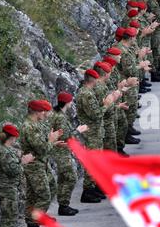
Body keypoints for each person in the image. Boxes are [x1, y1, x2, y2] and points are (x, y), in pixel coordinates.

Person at [20, 100, 63, 227]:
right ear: (37, 112)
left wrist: (52, 141)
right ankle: (34, 223)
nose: (45, 114)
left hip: (40, 164)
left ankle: (32, 226)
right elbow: (42, 148)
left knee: (36, 195)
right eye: (43, 111)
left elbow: (43, 146)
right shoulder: (29, 127)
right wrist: (50, 141)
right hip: (34, 167)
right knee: (44, 196)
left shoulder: (35, 124)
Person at [0, 124, 34, 227]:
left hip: (10, 187)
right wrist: (23, 162)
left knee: (11, 214)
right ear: (11, 138)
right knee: (9, 216)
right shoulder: (4, 152)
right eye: (15, 137)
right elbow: (13, 170)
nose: (16, 140)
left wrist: (20, 160)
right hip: (6, 188)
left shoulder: (7, 149)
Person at [76, 69, 115, 203]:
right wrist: (106, 105)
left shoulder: (86, 92)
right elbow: (97, 114)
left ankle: (93, 187)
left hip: (94, 132)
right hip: (92, 132)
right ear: (92, 80)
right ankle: (88, 190)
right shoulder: (86, 94)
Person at [49, 91, 89, 216]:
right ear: (67, 102)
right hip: (61, 152)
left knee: (64, 178)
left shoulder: (57, 114)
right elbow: (66, 136)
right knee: (71, 177)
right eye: (71, 101)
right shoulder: (60, 117)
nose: (72, 103)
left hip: (60, 150)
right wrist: (78, 131)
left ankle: (63, 205)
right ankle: (64, 205)